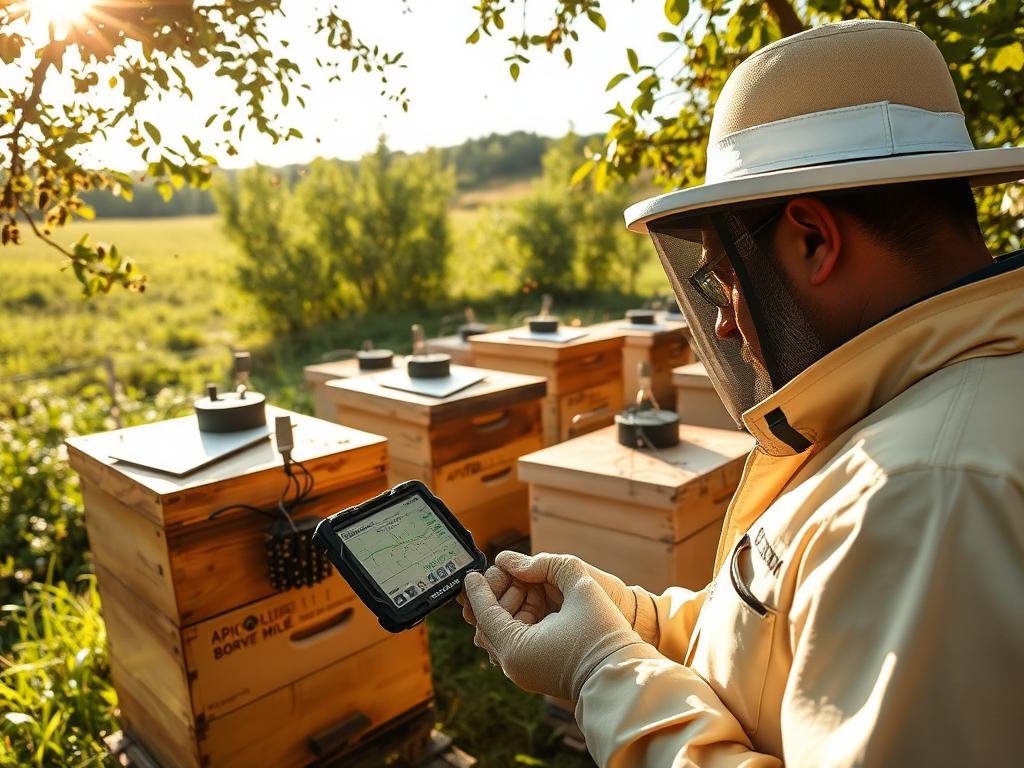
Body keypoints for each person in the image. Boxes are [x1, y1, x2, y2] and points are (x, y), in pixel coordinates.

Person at [458, 19, 1024, 766]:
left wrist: (601, 673)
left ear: (813, 240)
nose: (723, 324)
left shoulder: (928, 492)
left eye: (727, 279)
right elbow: (780, 634)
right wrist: (626, 620)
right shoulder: (913, 410)